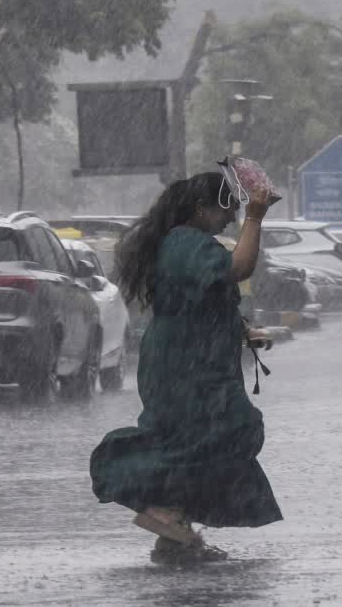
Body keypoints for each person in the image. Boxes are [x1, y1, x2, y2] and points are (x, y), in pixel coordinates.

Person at [90, 172, 282, 564]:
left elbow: (203, 299)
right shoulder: (184, 243)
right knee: (220, 434)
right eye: (228, 209)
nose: (231, 218)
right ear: (202, 209)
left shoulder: (188, 244)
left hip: (193, 358)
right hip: (187, 364)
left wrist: (243, 330)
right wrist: (256, 217)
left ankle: (175, 536)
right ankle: (162, 507)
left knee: (196, 439)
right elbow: (239, 267)